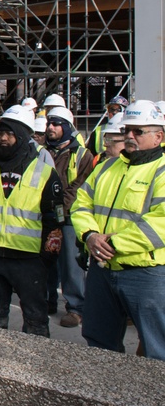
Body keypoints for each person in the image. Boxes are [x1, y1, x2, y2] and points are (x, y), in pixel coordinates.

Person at [71, 100, 165, 360]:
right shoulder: (106, 168)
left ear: (158, 136)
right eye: (127, 131)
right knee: (99, 342)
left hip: (145, 274)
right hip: (103, 271)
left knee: (156, 347)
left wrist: (112, 244)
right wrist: (89, 236)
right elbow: (81, 204)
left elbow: (161, 222)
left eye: (138, 131)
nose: (130, 137)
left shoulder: (162, 171)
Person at [0, 106, 64, 337]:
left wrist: (46, 258)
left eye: (9, 134)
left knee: (35, 320)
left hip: (29, 260)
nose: (3, 138)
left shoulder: (44, 173)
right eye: (0, 133)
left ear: (22, 137)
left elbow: (55, 220)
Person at [44, 105, 94, 327]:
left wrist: (58, 207)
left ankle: (75, 308)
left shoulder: (83, 155)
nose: (50, 128)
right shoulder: (42, 151)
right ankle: (47, 300)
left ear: (66, 127)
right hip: (46, 216)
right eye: (49, 124)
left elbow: (79, 186)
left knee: (70, 264)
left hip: (69, 218)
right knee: (46, 260)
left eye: (55, 124)